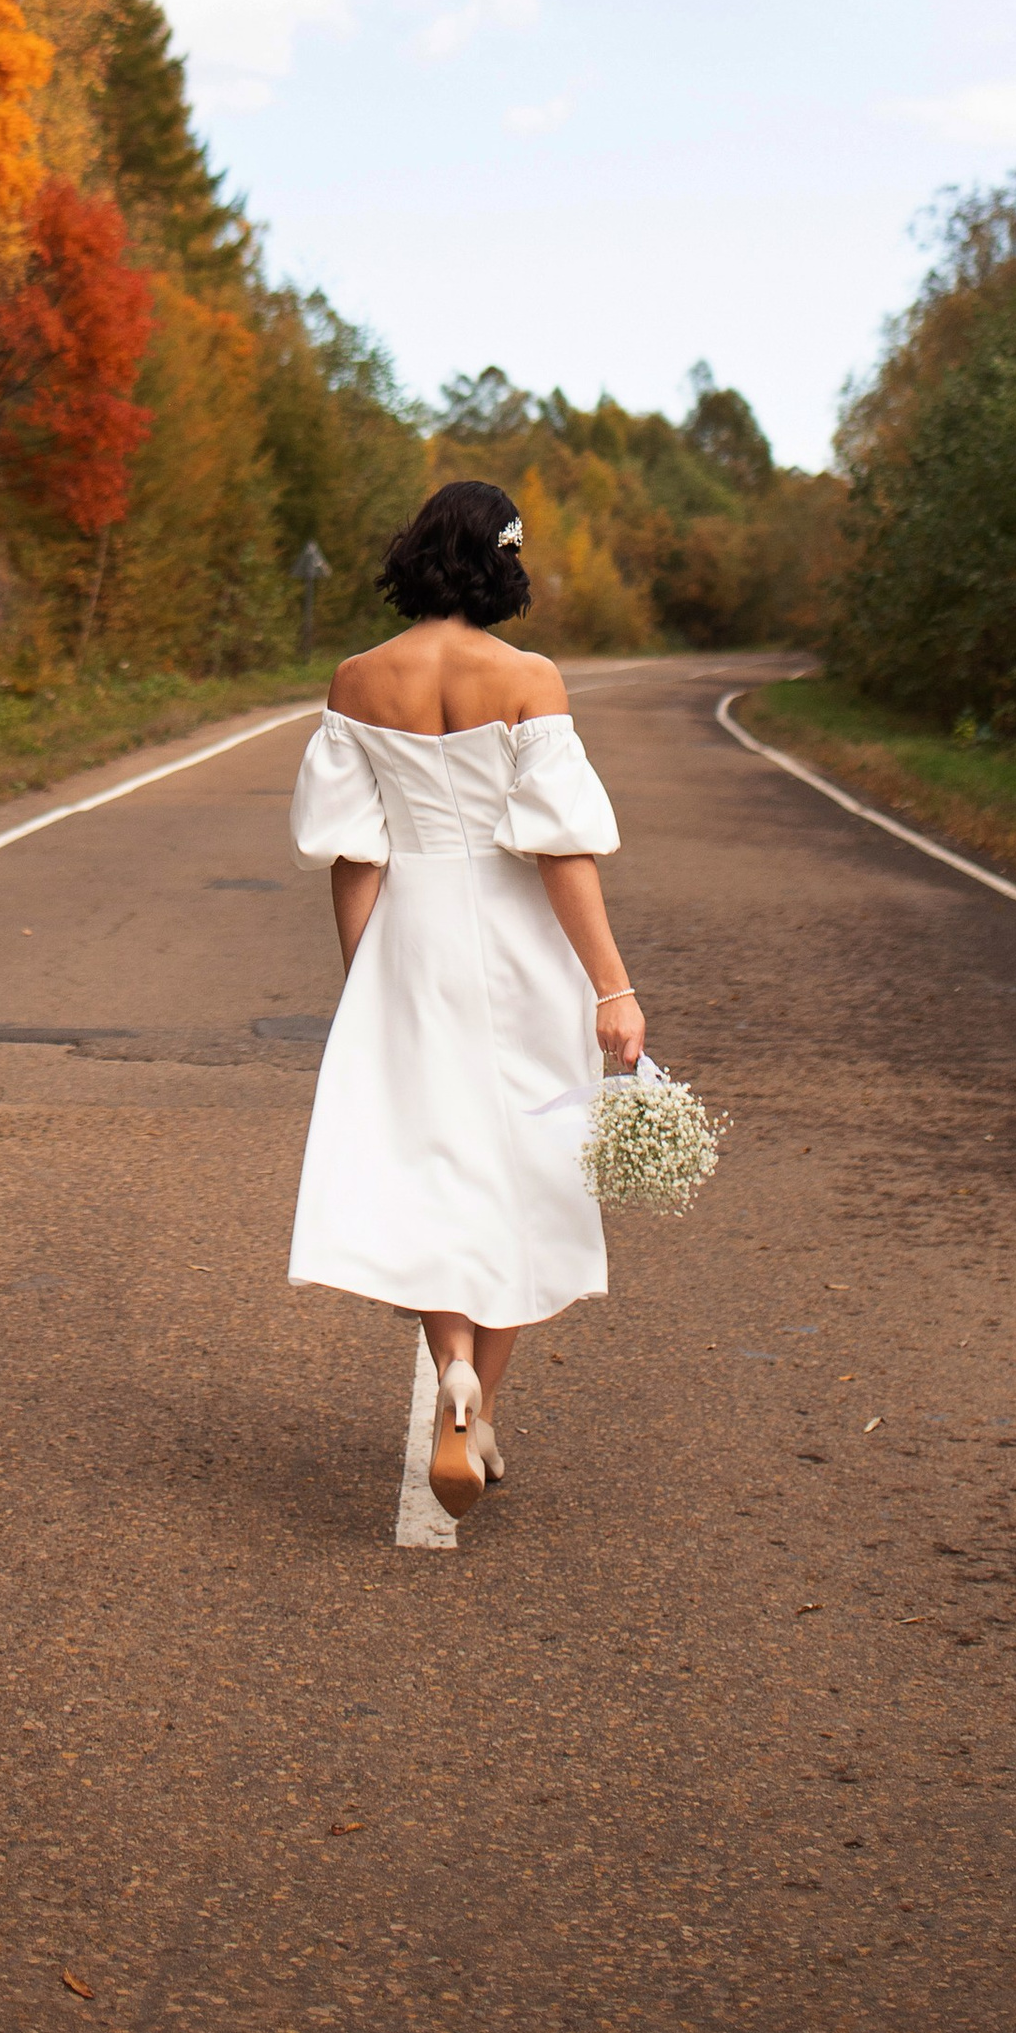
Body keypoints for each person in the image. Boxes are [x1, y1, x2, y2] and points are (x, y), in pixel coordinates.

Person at [284, 477, 645, 1520]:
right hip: (521, 947)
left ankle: (450, 1370)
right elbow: (560, 850)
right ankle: (481, 1409)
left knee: (429, 1158)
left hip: (411, 938)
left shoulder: (357, 680)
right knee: (528, 1165)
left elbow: (352, 854)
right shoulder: (528, 678)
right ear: (503, 561)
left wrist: (371, 978)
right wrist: (611, 987)